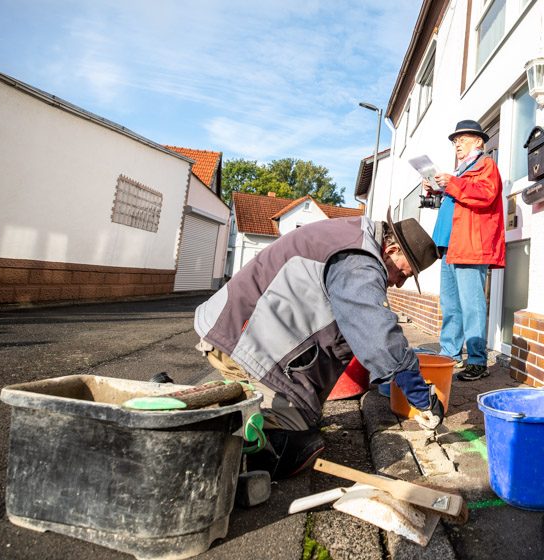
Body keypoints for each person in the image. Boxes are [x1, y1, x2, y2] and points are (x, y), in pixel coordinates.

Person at [193, 209, 444, 480]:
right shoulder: (357, 260)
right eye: (403, 274)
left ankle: (226, 403)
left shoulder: (355, 239)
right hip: (240, 341)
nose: (397, 283)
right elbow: (377, 332)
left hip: (247, 332)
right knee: (291, 448)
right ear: (392, 249)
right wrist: (422, 397)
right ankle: (192, 423)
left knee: (308, 421)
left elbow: (355, 327)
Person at [422, 119, 505, 382]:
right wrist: (437, 191)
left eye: (462, 139)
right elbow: (459, 204)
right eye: (455, 140)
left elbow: (486, 194)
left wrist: (452, 184)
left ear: (478, 141)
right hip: (450, 245)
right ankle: (450, 354)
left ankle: (478, 361)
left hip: (470, 245)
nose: (457, 143)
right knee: (451, 304)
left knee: (472, 305)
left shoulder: (485, 164)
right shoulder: (460, 172)